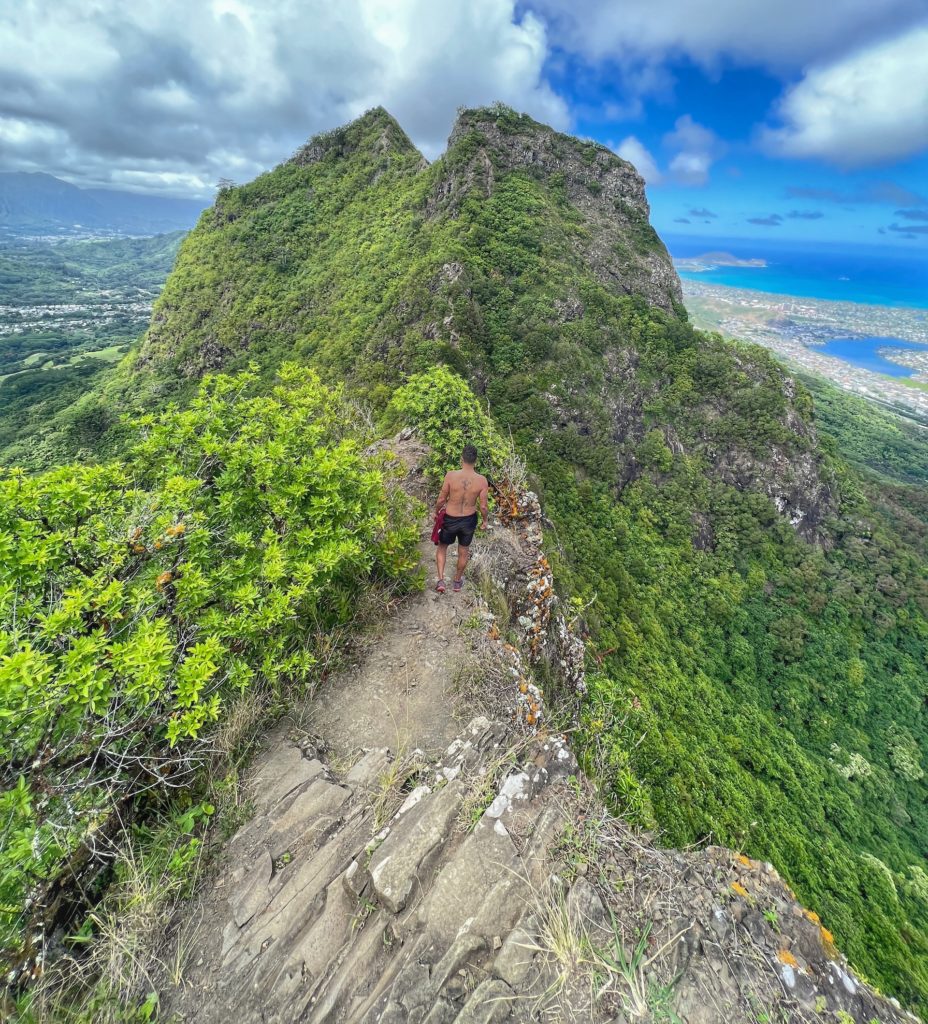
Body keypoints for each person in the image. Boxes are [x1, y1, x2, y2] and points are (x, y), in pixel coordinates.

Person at [434, 444, 489, 594]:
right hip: (468, 520)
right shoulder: (482, 480)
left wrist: (436, 511)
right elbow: (483, 506)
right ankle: (457, 582)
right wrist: (485, 521)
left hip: (450, 518)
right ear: (475, 461)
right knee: (463, 551)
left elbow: (441, 498)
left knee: (442, 547)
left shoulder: (451, 476)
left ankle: (441, 581)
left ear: (461, 459)